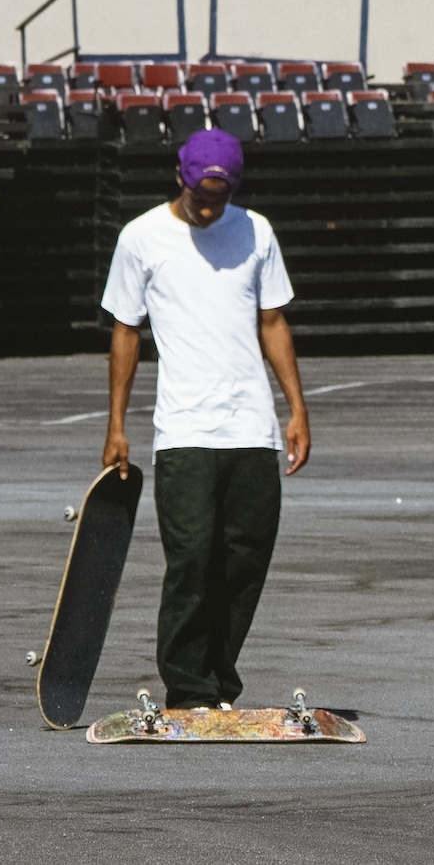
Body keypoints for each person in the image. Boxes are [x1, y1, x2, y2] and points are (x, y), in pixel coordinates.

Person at [100, 127, 313, 711]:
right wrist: (116, 426)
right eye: (201, 197)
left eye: (220, 199)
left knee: (245, 559)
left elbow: (273, 322)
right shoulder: (141, 237)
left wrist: (296, 409)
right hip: (184, 432)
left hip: (252, 429)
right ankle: (187, 686)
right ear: (180, 179)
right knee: (192, 559)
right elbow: (125, 332)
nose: (209, 208)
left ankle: (218, 683)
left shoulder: (255, 231)